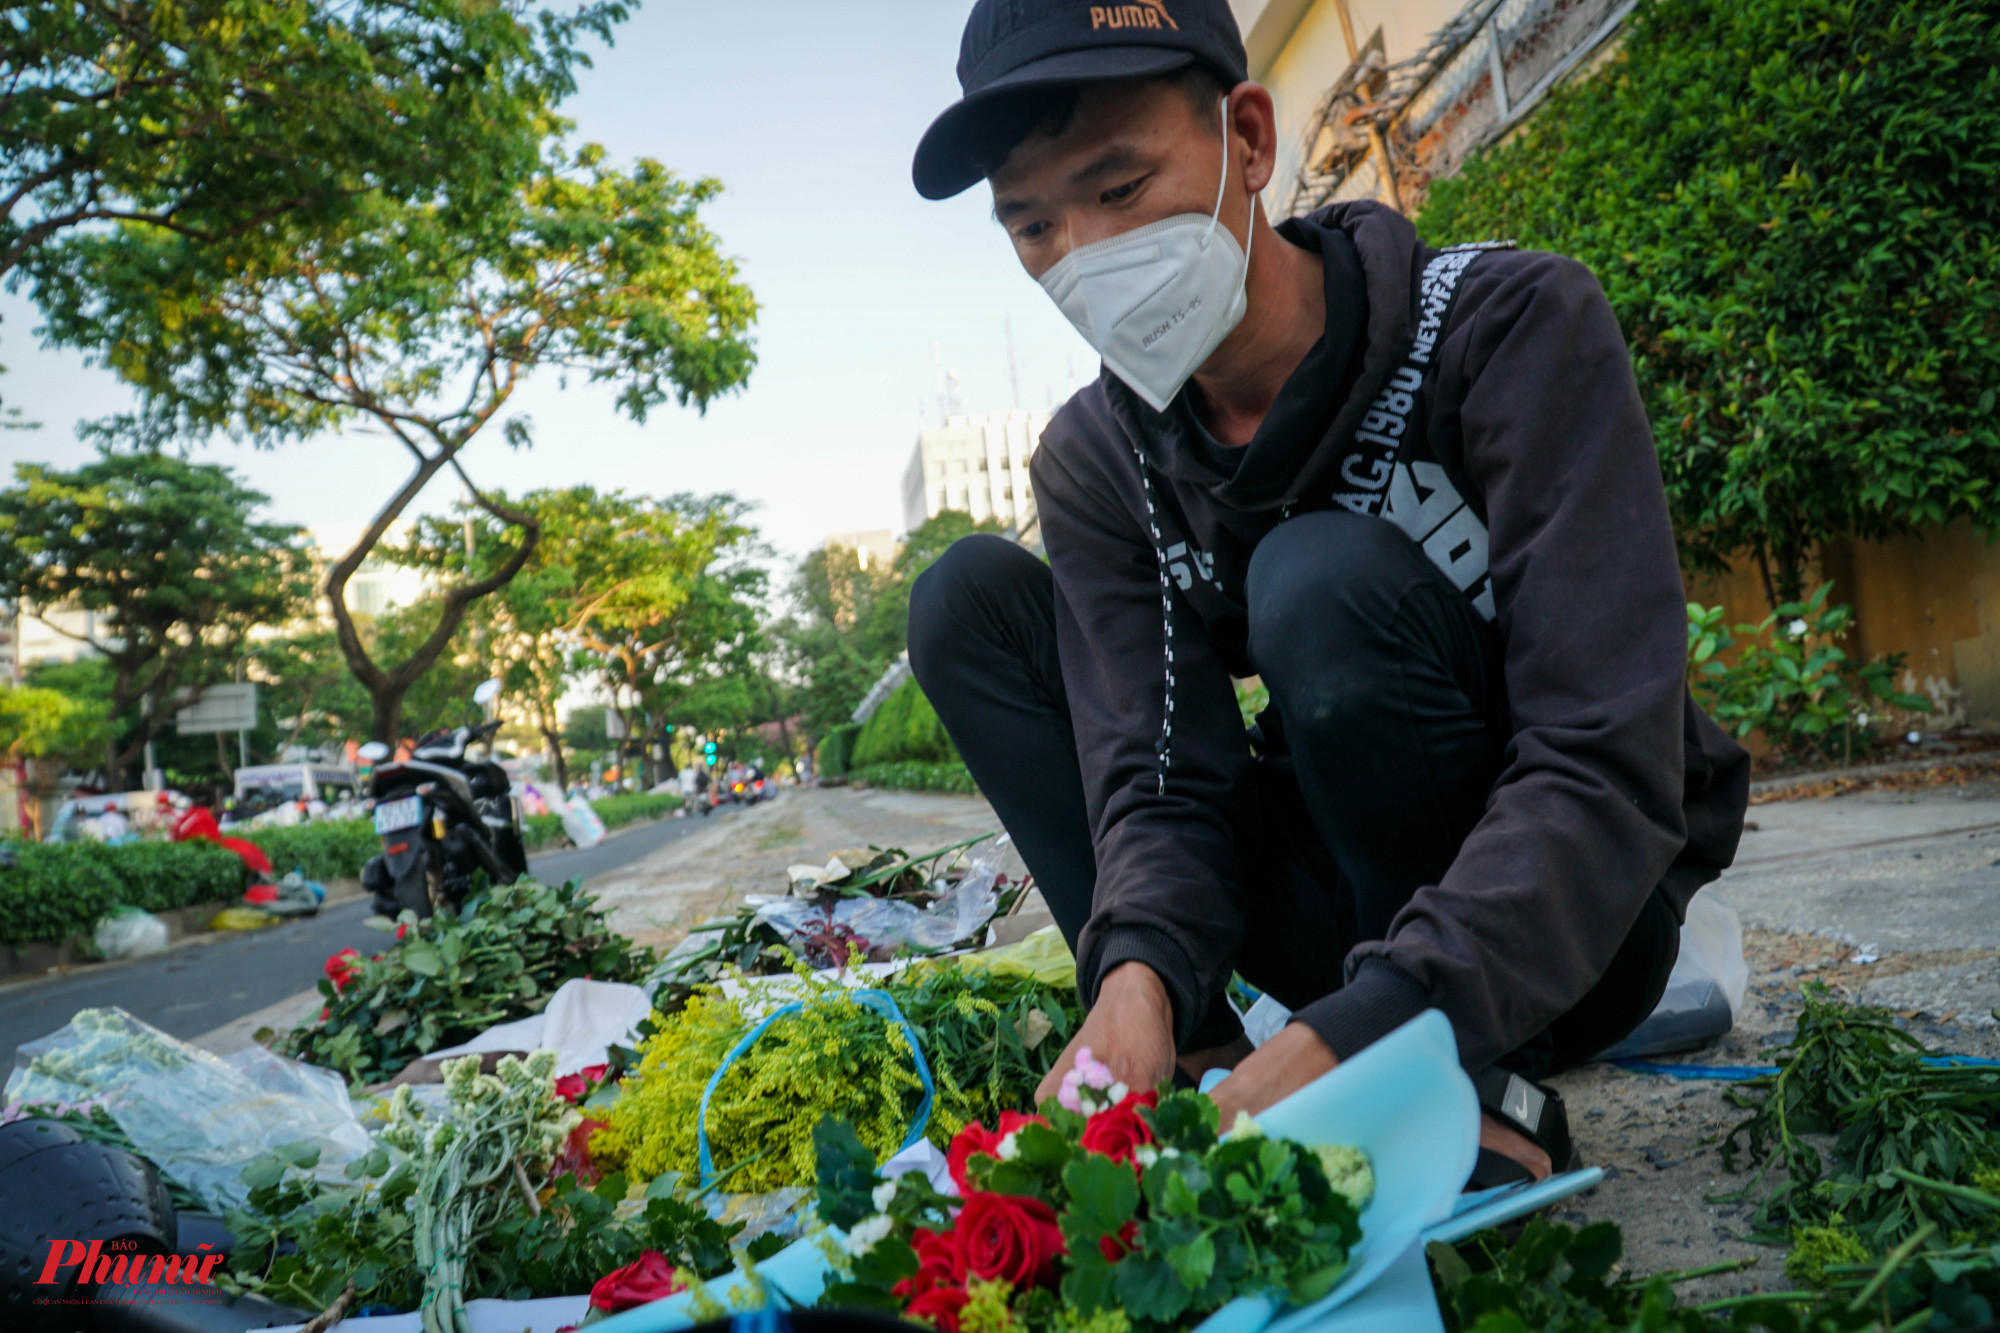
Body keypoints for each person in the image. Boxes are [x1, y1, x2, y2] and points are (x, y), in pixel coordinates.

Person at [904, 0, 1750, 1186]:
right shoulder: (1100, 460)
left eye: (1120, 188)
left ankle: (1460, 1077)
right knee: (967, 602)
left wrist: (1378, 1023)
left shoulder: (1502, 328)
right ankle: (1191, 1063)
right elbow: (1157, 776)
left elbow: (1605, 756)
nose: (1081, 257)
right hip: (1341, 926)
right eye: (1032, 223)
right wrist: (1138, 973)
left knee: (1314, 574)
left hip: (1572, 916)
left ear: (1247, 140)